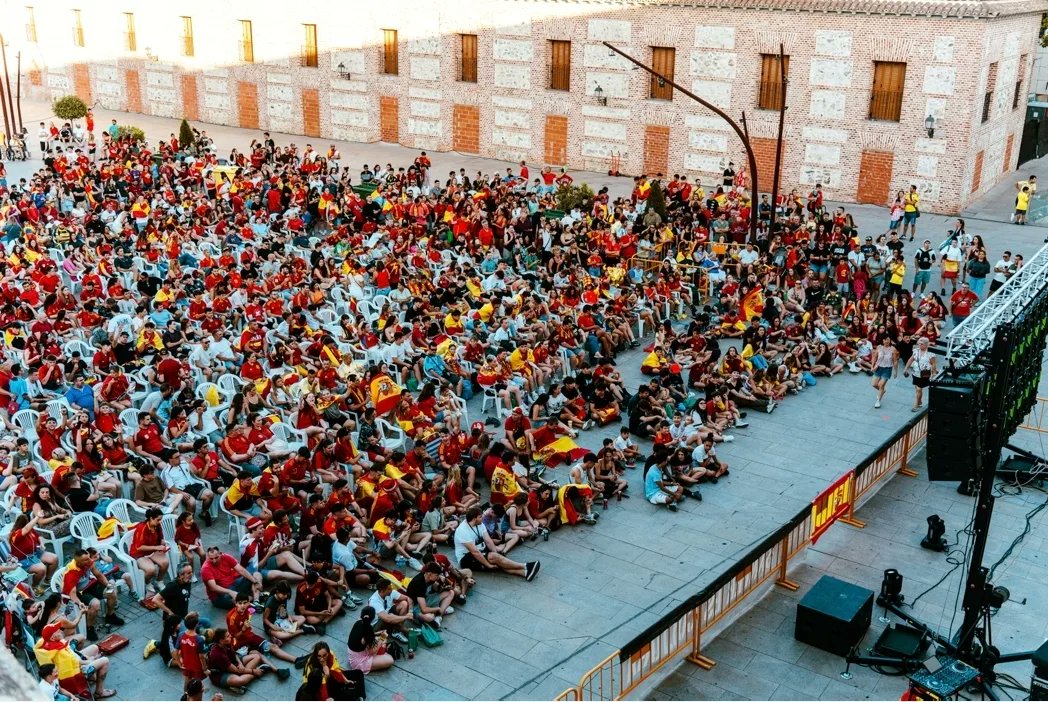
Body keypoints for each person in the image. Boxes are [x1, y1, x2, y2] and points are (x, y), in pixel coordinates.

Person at [453, 506, 540, 581]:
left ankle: (525, 573)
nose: (482, 518)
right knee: (495, 558)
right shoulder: (463, 531)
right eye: (480, 517)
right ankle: (525, 566)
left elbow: (488, 540)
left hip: (479, 548)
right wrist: (488, 565)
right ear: (474, 519)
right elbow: (474, 552)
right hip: (465, 557)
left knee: (499, 559)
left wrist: (495, 552)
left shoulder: (479, 524)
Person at [61, 549, 124, 641]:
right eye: (86, 559)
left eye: (89, 558)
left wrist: (108, 584)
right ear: (79, 563)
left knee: (112, 592)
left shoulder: (88, 562)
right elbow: (72, 594)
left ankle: (110, 616)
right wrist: (79, 603)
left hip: (90, 585)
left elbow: (98, 575)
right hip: (79, 592)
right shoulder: (71, 573)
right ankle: (89, 628)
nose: (90, 560)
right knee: (95, 604)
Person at [345, 607, 395, 674]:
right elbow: (372, 651)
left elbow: (363, 636)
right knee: (390, 659)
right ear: (373, 618)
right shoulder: (368, 630)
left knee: (379, 640)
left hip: (355, 653)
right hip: (359, 661)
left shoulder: (358, 622)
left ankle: (380, 655)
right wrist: (382, 637)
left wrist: (377, 634)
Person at [903, 337, 937, 412]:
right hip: (916, 372)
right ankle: (920, 401)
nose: (919, 345)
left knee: (919, 389)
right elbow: (911, 359)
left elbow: (933, 364)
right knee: (917, 388)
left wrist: (934, 374)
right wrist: (906, 368)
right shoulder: (916, 351)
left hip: (925, 373)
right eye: (919, 343)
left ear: (926, 345)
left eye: (921, 344)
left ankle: (916, 405)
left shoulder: (930, 353)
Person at [871, 335, 899, 409]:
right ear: (882, 340)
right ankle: (882, 391)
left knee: (881, 385)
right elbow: (875, 357)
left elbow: (895, 361)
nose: (886, 341)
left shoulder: (893, 349)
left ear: (890, 341)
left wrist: (895, 371)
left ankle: (878, 401)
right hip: (878, 367)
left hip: (887, 369)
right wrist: (872, 366)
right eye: (885, 339)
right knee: (874, 384)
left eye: (888, 339)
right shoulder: (879, 347)